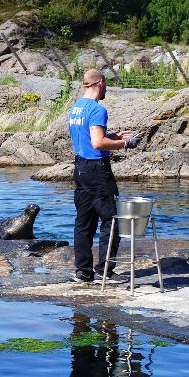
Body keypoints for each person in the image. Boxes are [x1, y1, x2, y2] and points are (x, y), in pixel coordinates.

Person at [68, 68, 138, 283]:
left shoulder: (75, 108)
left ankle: (83, 271)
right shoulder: (98, 109)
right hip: (98, 169)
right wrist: (125, 143)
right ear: (100, 82)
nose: (106, 88)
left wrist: (113, 136)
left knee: (84, 220)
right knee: (112, 219)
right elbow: (98, 143)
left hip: (80, 169)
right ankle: (104, 271)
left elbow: (90, 138)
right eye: (106, 84)